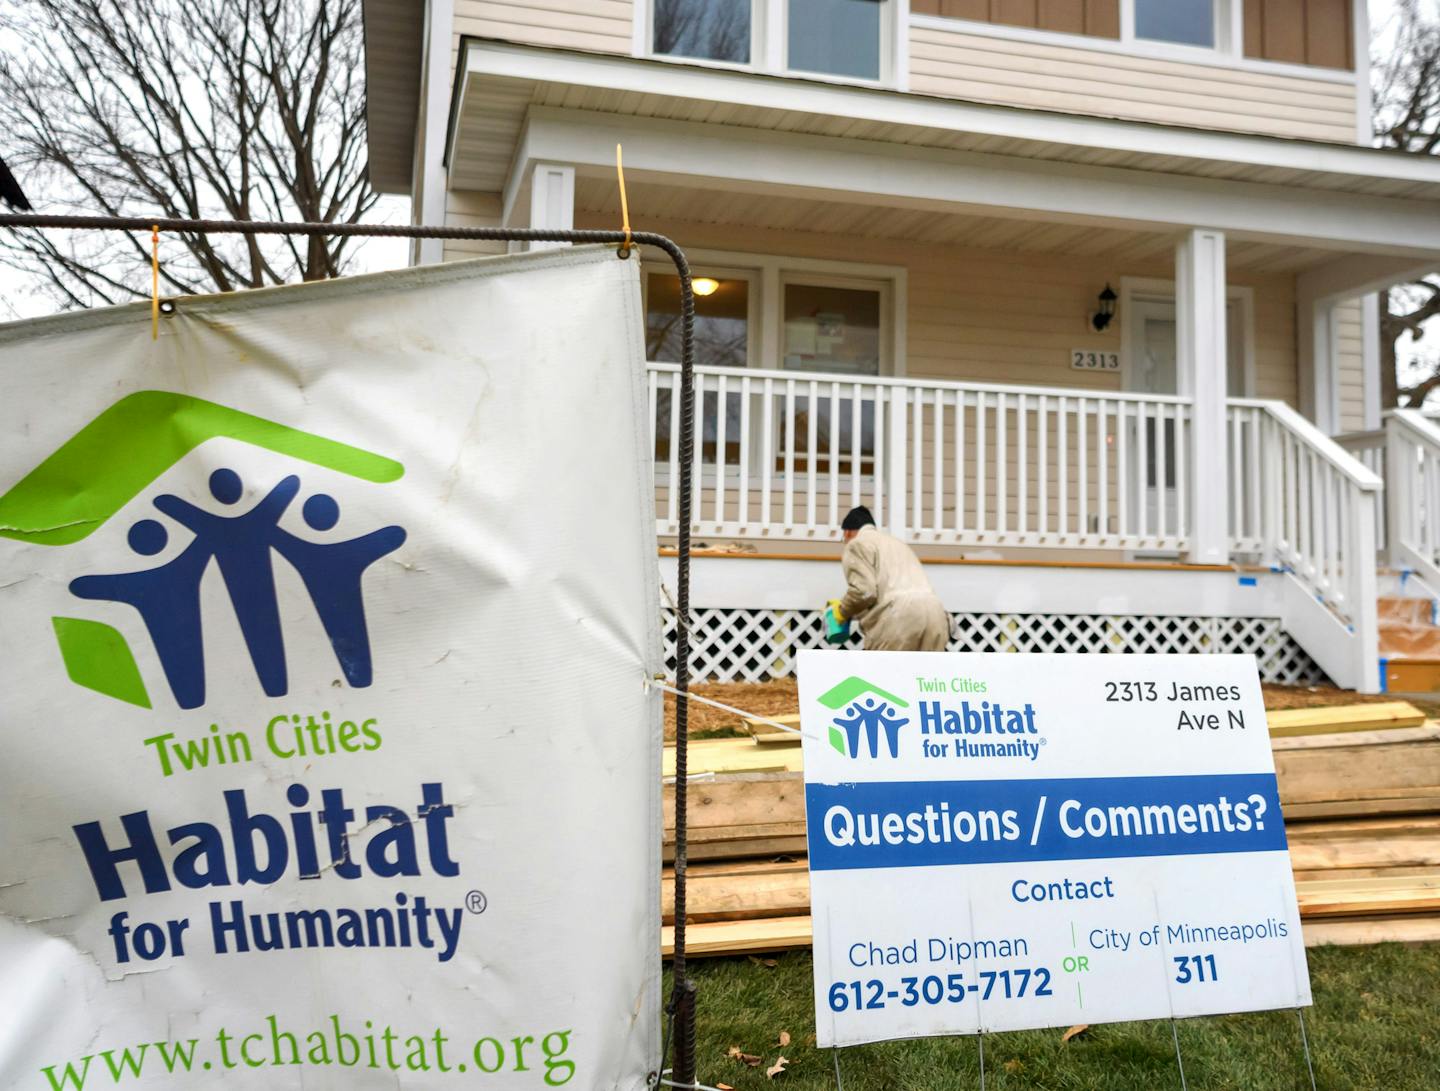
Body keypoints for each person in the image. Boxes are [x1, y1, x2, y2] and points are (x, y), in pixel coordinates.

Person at [830, 506, 951, 652]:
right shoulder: (898, 544)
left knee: (886, 674)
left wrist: (841, 612)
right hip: (935, 614)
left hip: (898, 619)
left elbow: (864, 591)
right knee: (924, 674)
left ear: (847, 531)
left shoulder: (857, 544)